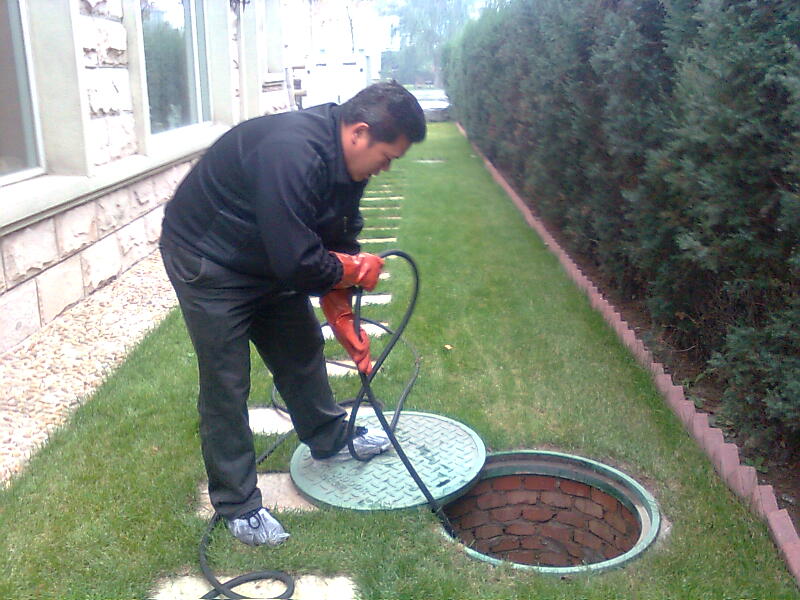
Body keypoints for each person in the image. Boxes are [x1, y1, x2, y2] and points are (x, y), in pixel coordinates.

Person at [159, 81, 426, 547]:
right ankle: (238, 504)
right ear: (359, 133)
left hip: (267, 254)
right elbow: (300, 263)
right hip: (208, 257)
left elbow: (334, 241)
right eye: (387, 157)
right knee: (226, 380)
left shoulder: (347, 168)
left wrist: (343, 317)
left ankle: (327, 436)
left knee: (301, 347)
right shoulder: (292, 151)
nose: (384, 169)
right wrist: (349, 270)